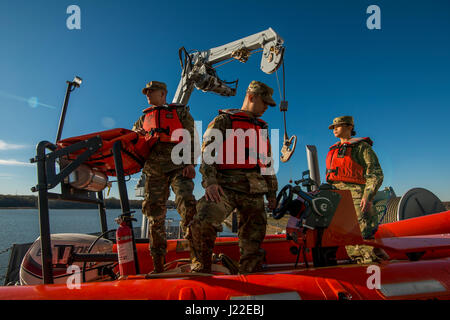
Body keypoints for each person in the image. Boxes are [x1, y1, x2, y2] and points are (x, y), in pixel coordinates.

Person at [188, 80, 278, 274]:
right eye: (264, 103)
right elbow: (207, 154)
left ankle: (250, 275)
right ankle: (201, 267)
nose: (266, 109)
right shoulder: (224, 121)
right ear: (252, 97)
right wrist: (210, 183)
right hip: (224, 187)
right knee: (203, 219)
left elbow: (267, 163)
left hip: (254, 190)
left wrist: (272, 193)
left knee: (253, 237)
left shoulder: (261, 129)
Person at [132, 81, 197, 273]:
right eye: (146, 92)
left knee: (187, 204)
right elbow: (134, 140)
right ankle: (158, 264)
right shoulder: (143, 118)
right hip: (154, 170)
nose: (148, 95)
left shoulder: (180, 113)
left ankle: (197, 257)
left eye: (151, 92)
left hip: (179, 166)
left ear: (163, 93)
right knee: (154, 216)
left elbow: (192, 136)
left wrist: (191, 162)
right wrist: (137, 135)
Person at [326, 116, 387, 263]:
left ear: (349, 127)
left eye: (338, 126)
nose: (334, 129)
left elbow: (375, 174)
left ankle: (371, 265)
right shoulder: (334, 149)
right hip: (338, 195)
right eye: (333, 127)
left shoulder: (362, 147)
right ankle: (360, 261)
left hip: (357, 195)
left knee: (361, 232)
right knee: (345, 233)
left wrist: (368, 195)